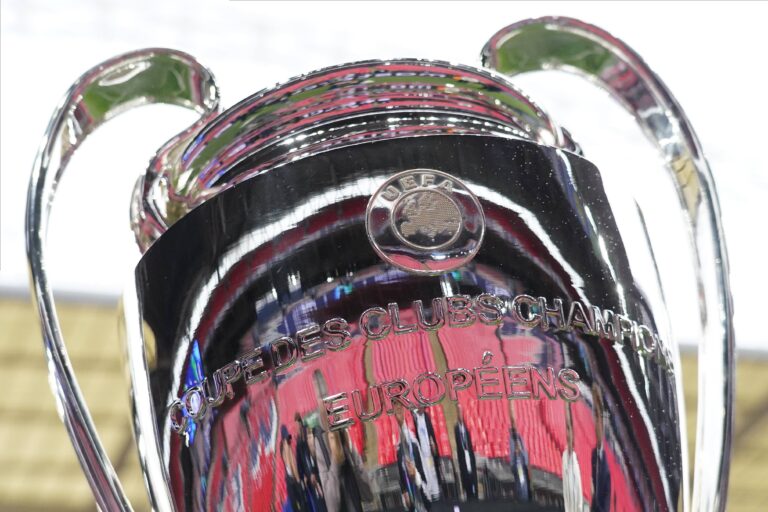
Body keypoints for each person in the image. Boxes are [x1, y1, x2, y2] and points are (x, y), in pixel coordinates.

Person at [394, 401, 429, 511]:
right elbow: (401, 472)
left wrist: (416, 476)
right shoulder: (399, 449)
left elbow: (423, 472)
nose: (397, 413)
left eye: (399, 409)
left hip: (421, 494)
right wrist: (404, 490)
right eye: (395, 410)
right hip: (410, 498)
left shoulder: (413, 444)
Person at [295, 414, 326, 512]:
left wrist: (312, 471)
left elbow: (311, 457)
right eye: (296, 425)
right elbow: (301, 461)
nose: (298, 427)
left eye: (298, 424)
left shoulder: (307, 435)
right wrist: (304, 476)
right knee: (318, 500)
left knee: (322, 498)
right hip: (310, 478)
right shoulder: (299, 442)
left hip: (316, 473)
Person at [412, 407, 442, 501]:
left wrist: (432, 443)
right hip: (420, 452)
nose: (422, 409)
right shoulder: (414, 418)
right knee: (424, 473)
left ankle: (435, 492)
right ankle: (428, 494)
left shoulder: (426, 416)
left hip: (428, 451)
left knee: (432, 471)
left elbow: (431, 432)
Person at [590, 384, 611, 512]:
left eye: (598, 418)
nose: (595, 424)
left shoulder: (606, 465)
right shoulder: (594, 455)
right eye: (594, 416)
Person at [508, 402, 533, 502]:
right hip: (518, 466)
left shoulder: (519, 438)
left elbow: (525, 455)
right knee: (521, 486)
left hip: (522, 465)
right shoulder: (512, 439)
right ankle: (522, 500)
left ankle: (524, 500)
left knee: (524, 486)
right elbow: (512, 419)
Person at [562, 401, 583, 512]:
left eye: (569, 430)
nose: (567, 434)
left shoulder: (574, 461)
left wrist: (566, 408)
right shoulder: (565, 457)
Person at [453, 404, 477, 501]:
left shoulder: (467, 428)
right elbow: (459, 441)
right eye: (458, 412)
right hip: (463, 456)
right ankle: (468, 497)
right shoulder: (457, 428)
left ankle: (474, 497)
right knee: (466, 478)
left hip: (469, 455)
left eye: (461, 413)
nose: (460, 415)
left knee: (472, 478)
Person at [281, 425, 308, 512]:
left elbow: (293, 466)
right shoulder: (285, 448)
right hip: (293, 483)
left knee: (303, 505)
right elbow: (291, 465)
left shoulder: (288, 447)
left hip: (295, 482)